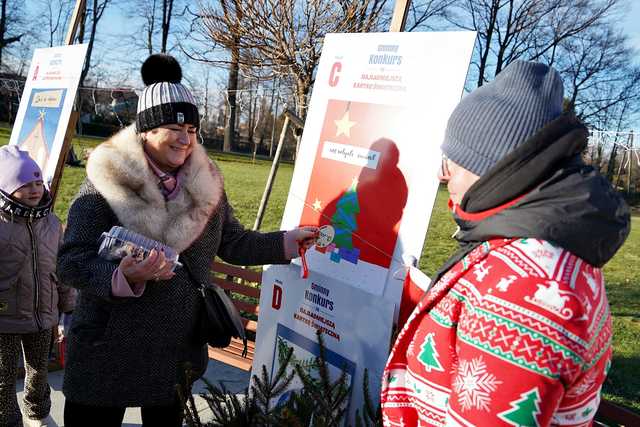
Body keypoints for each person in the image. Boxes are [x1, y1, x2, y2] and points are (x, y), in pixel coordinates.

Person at [57, 54, 317, 427]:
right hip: (107, 350)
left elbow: (232, 240)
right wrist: (122, 275)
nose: (185, 139)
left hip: (173, 349)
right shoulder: (105, 181)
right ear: (145, 131)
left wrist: (287, 243)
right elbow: (70, 262)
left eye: (192, 130)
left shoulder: (205, 184)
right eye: (172, 128)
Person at [380, 61, 630, 426]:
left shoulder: (535, 289)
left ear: (494, 168)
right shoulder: (524, 248)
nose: (441, 173)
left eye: (453, 161)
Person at [0, 146, 76, 427]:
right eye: (24, 184)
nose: (34, 190)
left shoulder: (51, 223)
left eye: (37, 182)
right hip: (4, 320)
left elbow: (62, 269)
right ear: (7, 188)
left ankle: (38, 416)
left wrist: (67, 308)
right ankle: (7, 420)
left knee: (39, 372)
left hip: (43, 316)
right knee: (3, 378)